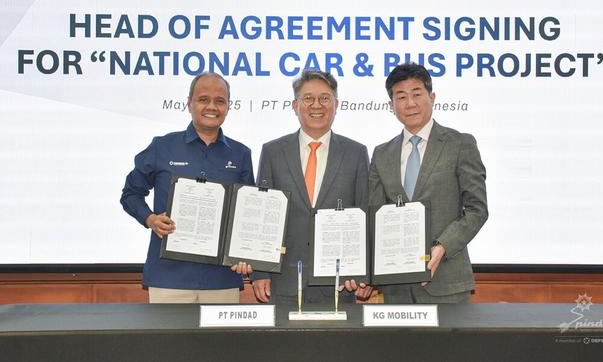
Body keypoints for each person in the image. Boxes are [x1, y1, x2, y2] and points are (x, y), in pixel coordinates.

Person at [120, 72, 255, 303]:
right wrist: (150, 219)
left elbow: (248, 214)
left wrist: (247, 253)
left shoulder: (240, 154)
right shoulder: (162, 146)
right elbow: (130, 194)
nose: (211, 106)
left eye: (220, 101)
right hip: (169, 277)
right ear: (189, 104)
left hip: (221, 278)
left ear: (228, 107)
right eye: (203, 99)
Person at [368, 63, 488, 303]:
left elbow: (477, 209)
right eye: (401, 97)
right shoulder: (381, 154)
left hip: (447, 283)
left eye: (417, 94)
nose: (410, 103)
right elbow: (375, 215)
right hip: (396, 288)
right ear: (391, 105)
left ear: (432, 98)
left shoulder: (459, 144)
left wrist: (443, 246)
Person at [251, 69, 372, 305]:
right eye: (308, 98)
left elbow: (364, 213)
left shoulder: (356, 153)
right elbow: (261, 217)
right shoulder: (273, 152)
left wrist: (364, 274)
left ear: (336, 105)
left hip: (339, 283)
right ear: (295, 105)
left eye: (325, 98)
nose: (317, 105)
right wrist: (260, 272)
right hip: (284, 280)